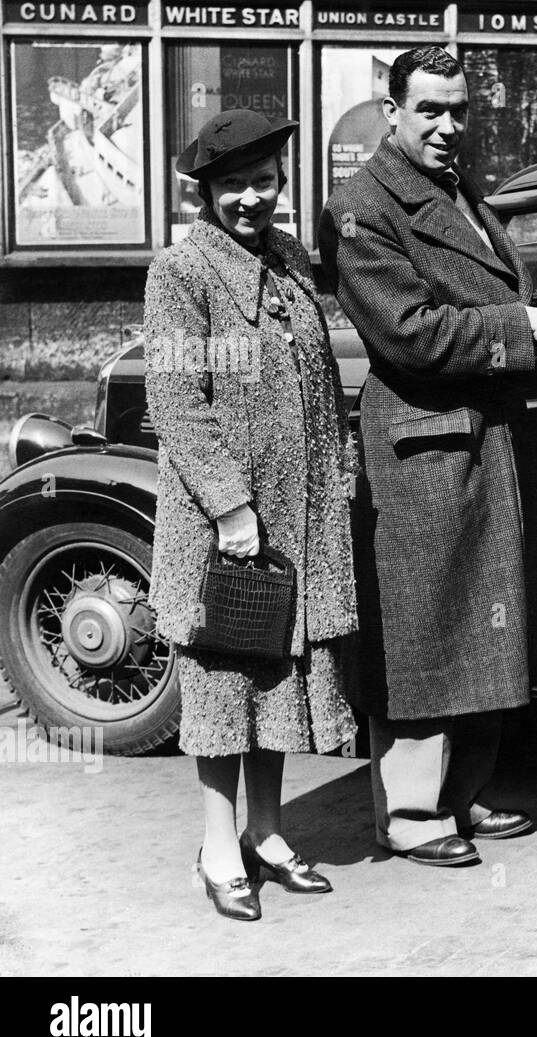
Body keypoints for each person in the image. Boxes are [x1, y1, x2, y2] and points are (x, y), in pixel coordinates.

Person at [319, 46, 537, 867]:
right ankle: (412, 809)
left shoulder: (457, 192)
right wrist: (522, 330)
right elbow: (408, 333)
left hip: (476, 434)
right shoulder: (362, 207)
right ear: (391, 112)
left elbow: (479, 298)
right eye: (428, 109)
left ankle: (464, 791)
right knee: (424, 626)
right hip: (426, 442)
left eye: (459, 110)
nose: (447, 125)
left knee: (483, 616)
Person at [144, 110, 359, 921]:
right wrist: (232, 507)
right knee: (222, 679)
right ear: (207, 189)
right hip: (223, 521)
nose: (251, 198)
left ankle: (267, 835)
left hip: (298, 515)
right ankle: (216, 845)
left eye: (264, 182)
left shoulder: (289, 259)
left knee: (278, 678)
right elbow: (175, 400)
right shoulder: (182, 271)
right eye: (234, 184)